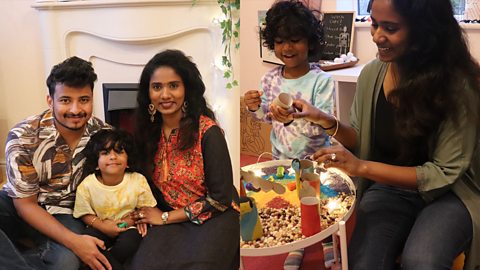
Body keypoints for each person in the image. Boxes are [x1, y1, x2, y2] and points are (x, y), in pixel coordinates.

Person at [292, 0, 480, 269]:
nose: (377, 36)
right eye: (374, 23)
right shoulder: (372, 74)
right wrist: (324, 120)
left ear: (424, 30)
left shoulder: (457, 86)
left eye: (390, 28)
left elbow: (443, 173)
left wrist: (361, 167)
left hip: (451, 193)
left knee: (422, 260)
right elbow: (360, 138)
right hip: (391, 190)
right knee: (365, 263)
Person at [131, 49, 240, 269]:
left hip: (213, 216)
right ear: (148, 93)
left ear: (186, 89)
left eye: (173, 85)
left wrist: (163, 218)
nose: (165, 95)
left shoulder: (208, 133)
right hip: (168, 215)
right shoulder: (147, 132)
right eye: (157, 87)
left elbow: (219, 199)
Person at [1, 56, 112, 270]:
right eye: (65, 100)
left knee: (66, 264)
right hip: (18, 204)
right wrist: (76, 243)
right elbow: (25, 205)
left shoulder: (104, 136)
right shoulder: (23, 136)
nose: (75, 109)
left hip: (63, 210)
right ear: (50, 101)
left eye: (84, 100)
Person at [243, 0, 335, 160]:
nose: (287, 48)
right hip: (280, 161)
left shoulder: (321, 81)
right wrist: (254, 107)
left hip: (316, 162)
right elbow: (264, 116)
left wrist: (293, 117)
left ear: (310, 42)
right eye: (279, 41)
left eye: (295, 40)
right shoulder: (269, 79)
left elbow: (324, 127)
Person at [73, 129, 157, 270]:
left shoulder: (138, 180)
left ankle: (105, 264)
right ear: (95, 163)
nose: (113, 157)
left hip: (128, 226)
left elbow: (145, 209)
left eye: (119, 152)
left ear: (128, 161)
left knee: (131, 242)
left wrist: (124, 224)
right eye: (105, 153)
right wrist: (103, 226)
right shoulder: (87, 185)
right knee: (88, 239)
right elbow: (84, 213)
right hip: (99, 225)